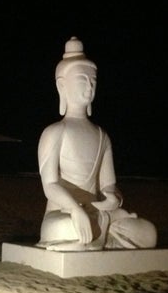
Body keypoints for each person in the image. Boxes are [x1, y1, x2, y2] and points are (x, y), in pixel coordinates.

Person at [36, 36, 157, 251]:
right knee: (70, 228)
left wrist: (114, 199)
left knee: (148, 233)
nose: (90, 87)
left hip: (99, 214)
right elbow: (50, 186)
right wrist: (75, 209)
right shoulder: (54, 132)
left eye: (93, 81)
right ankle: (93, 238)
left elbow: (108, 185)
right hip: (63, 213)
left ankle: (95, 239)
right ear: (62, 85)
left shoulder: (101, 135)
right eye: (82, 80)